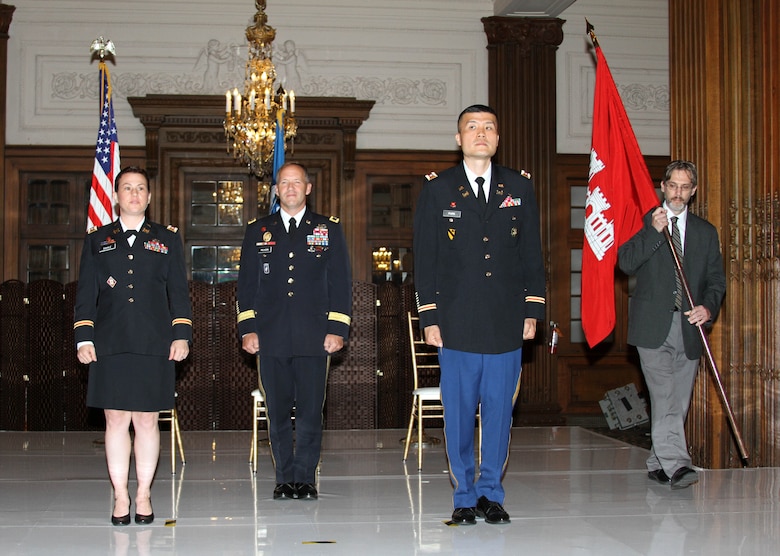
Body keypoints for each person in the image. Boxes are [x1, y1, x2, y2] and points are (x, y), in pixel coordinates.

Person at [413, 104, 546, 525]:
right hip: (455, 323)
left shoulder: (519, 187)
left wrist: (533, 308)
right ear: (458, 139)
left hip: (506, 321)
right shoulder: (438, 189)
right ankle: (464, 495)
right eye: (472, 127)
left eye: (489, 126)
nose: (481, 133)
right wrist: (429, 316)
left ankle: (492, 492)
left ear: (498, 137)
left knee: (499, 413)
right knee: (458, 412)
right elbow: (426, 258)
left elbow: (531, 254)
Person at [74, 166, 192, 525]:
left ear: (150, 197)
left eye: (141, 188)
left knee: (145, 420)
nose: (134, 194)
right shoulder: (97, 240)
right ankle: (120, 496)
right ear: (116, 196)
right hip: (109, 343)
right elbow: (86, 294)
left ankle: (143, 494)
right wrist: (83, 336)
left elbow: (178, 293)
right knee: (114, 420)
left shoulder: (167, 239)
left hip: (154, 343)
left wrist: (182, 334)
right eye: (127, 188)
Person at [237, 161, 352, 501]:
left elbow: (340, 284)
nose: (289, 188)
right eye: (283, 183)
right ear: (275, 190)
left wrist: (337, 328)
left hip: (315, 336)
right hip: (270, 337)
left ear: (308, 188)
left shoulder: (327, 229)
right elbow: (246, 285)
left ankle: (306, 477)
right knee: (277, 411)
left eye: (296, 182)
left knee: (310, 411)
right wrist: (248, 328)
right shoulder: (258, 230)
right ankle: (284, 477)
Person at [618, 160, 726, 490]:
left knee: (679, 400)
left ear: (693, 191)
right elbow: (626, 263)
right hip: (651, 327)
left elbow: (716, 280)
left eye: (685, 187)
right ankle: (678, 464)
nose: (677, 193)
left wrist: (708, 308)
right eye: (672, 186)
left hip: (690, 328)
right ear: (662, 187)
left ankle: (657, 462)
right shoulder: (644, 221)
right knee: (664, 396)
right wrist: (653, 231)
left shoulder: (706, 232)